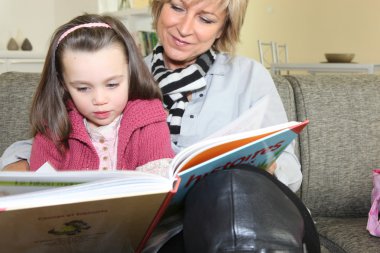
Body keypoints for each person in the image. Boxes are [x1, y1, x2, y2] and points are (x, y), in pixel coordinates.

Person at [0, 0, 304, 251]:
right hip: (163, 233)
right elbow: (55, 132)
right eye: (177, 7)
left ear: (224, 27)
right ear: (158, 6)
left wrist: (260, 164)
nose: (185, 29)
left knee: (231, 188)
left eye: (206, 19)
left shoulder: (248, 76)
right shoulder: (115, 69)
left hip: (236, 216)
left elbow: (289, 168)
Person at [26, 14, 174, 172]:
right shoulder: (52, 130)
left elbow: (157, 188)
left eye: (112, 84)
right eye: (83, 88)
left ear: (131, 74)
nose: (99, 99)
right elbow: (40, 192)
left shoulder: (149, 120)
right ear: (63, 84)